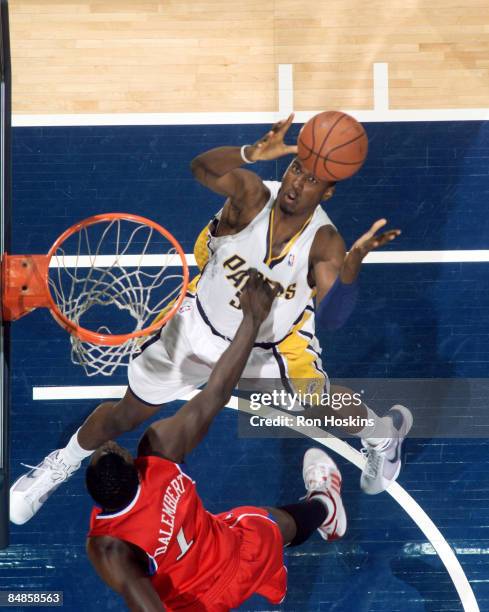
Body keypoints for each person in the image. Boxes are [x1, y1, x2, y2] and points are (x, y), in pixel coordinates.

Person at [10, 114, 411, 526]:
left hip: (267, 346)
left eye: (310, 180)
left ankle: (383, 434)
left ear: (328, 190)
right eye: (295, 169)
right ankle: (59, 464)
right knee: (126, 413)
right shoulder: (253, 196)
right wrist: (249, 153)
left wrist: (351, 266)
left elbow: (336, 317)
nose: (295, 183)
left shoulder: (325, 243)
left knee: (320, 402)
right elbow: (201, 168)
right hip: (198, 325)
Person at [86, 272, 347, 611]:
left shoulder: (109, 546)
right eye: (112, 448)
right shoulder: (160, 451)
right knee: (268, 523)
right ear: (133, 470)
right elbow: (216, 392)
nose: (108, 443)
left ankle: (310, 529)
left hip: (198, 600)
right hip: (239, 553)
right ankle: (325, 508)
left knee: (252, 521)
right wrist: (253, 319)